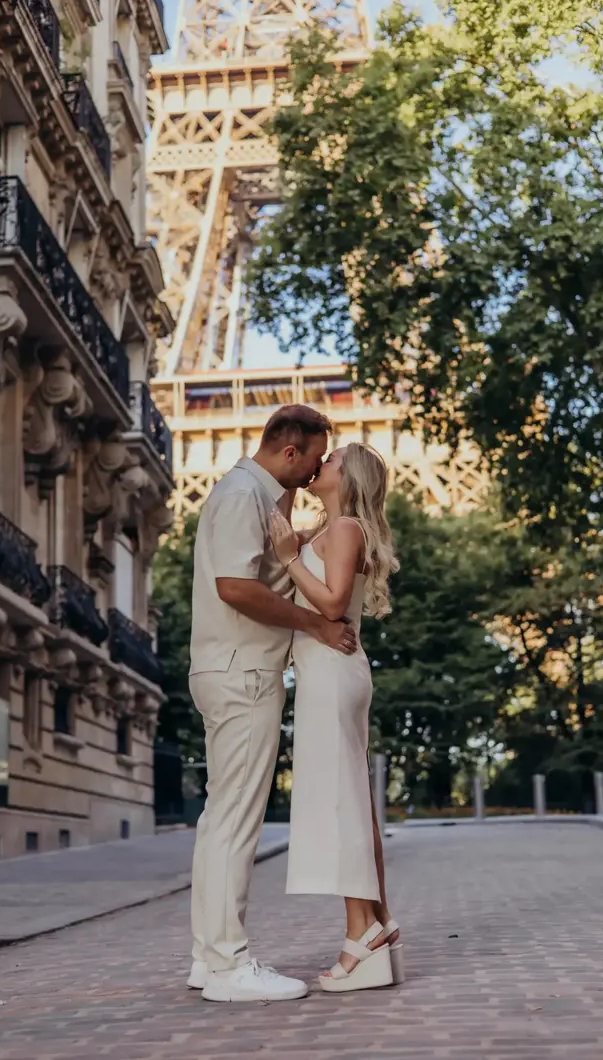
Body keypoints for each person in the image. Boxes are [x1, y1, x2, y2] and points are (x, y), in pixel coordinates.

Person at [187, 405, 359, 1003]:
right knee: (235, 822)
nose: (317, 468)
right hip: (243, 672)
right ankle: (228, 965)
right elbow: (235, 587)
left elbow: (264, 567)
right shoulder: (243, 496)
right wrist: (315, 625)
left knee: (221, 819)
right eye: (315, 456)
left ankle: (208, 958)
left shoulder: (256, 494)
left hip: (230, 668)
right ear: (291, 452)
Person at [269, 443, 404, 994]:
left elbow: (330, 604)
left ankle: (360, 934)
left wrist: (289, 559)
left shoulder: (346, 528)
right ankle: (379, 922)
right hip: (332, 674)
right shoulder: (334, 529)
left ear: (349, 479)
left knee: (341, 805)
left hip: (331, 674)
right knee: (352, 803)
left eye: (333, 459)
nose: (321, 461)